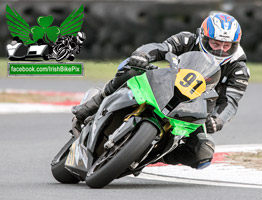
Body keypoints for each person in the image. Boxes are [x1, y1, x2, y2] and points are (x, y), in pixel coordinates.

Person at [72, 13, 250, 169]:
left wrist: (218, 120)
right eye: (215, 43)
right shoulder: (187, 40)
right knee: (132, 67)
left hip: (196, 108)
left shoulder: (239, 69)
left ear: (235, 45)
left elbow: (231, 101)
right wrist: (142, 55)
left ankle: (150, 155)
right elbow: (161, 48)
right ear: (203, 37)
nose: (220, 49)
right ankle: (94, 104)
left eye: (227, 46)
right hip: (166, 84)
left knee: (203, 153)